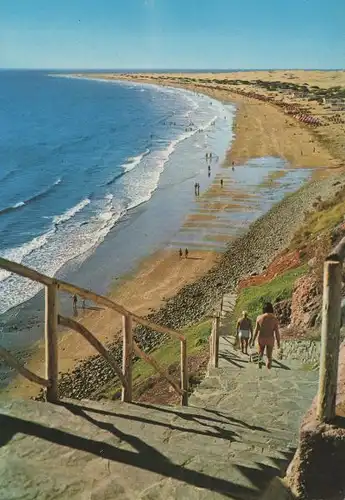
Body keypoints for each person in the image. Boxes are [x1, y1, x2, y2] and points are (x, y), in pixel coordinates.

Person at [251, 302, 280, 369]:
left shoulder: (259, 318)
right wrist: (278, 342)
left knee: (260, 355)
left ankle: (260, 370)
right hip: (270, 339)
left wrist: (252, 340)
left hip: (261, 338)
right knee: (269, 357)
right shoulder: (274, 319)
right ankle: (268, 371)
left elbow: (256, 330)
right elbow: (277, 332)